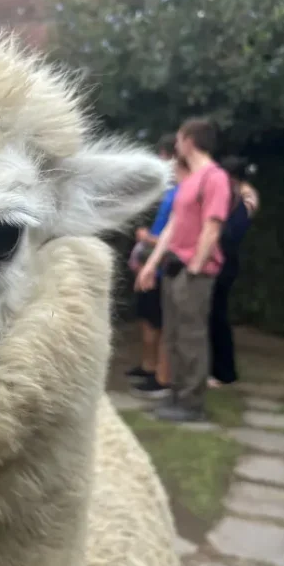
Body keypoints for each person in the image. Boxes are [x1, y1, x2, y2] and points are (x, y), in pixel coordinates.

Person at [135, 117, 232, 422]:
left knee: (191, 337)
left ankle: (192, 404)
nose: (176, 144)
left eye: (179, 138)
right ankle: (176, 395)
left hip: (194, 273)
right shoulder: (188, 181)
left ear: (190, 140)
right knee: (173, 336)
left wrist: (194, 268)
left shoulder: (215, 178)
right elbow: (173, 228)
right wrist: (151, 265)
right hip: (173, 268)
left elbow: (212, 228)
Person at [126, 134, 178, 398]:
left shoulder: (181, 192)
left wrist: (149, 238)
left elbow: (177, 234)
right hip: (148, 264)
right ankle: (148, 367)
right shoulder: (169, 190)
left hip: (160, 266)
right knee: (146, 319)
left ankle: (161, 374)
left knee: (157, 322)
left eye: (163, 156)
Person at [209, 156, 260, 389]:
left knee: (218, 316)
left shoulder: (244, 200)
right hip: (222, 262)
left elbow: (232, 233)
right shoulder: (233, 196)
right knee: (213, 316)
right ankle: (217, 368)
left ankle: (224, 372)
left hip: (225, 264)